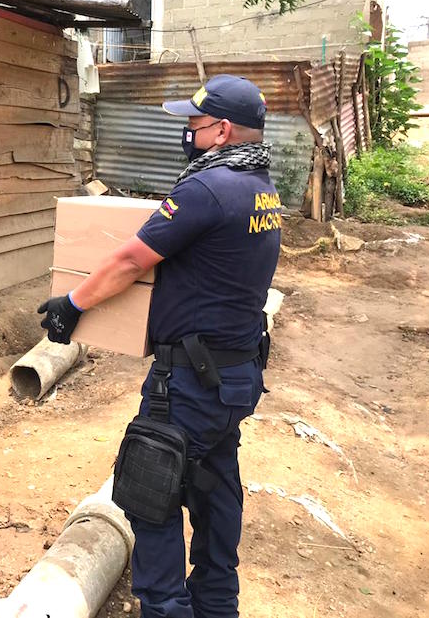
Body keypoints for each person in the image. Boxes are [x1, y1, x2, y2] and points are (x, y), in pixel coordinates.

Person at [38, 75, 282, 618]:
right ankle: (218, 604)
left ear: (221, 131)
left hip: (190, 384)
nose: (187, 135)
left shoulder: (206, 189)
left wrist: (72, 304)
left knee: (150, 493)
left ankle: (167, 609)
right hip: (234, 375)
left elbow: (130, 260)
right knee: (215, 488)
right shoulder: (260, 187)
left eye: (193, 126)